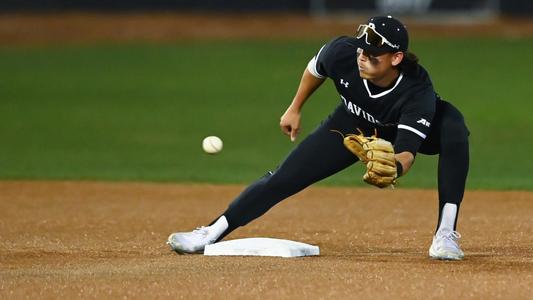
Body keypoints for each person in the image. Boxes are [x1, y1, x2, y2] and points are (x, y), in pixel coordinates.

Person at [167, 16, 469, 260]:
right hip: (353, 123)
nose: (363, 58)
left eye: (373, 56)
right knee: (284, 177)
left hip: (414, 128)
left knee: (455, 129)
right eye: (362, 51)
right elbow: (315, 69)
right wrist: (294, 107)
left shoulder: (417, 91)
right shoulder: (343, 53)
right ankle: (209, 232)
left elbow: (407, 153)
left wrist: (393, 168)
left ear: (396, 58)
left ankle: (444, 234)